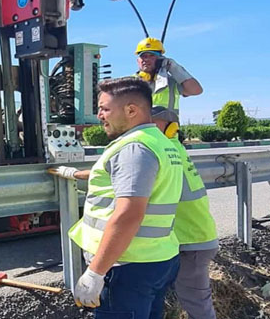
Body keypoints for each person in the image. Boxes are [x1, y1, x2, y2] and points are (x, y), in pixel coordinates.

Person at [52, 77, 183, 319]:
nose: (99, 115)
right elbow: (125, 178)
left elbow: (128, 214)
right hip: (157, 258)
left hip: (128, 264)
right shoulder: (159, 143)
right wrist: (74, 173)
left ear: (131, 110)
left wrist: (95, 272)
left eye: (104, 108)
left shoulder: (134, 148)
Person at [151, 106, 218, 319]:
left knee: (198, 306)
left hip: (192, 241)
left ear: (170, 127)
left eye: (153, 124)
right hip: (193, 238)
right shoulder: (174, 147)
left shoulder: (163, 149)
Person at [134, 37, 202, 119]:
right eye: (143, 56)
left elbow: (196, 90)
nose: (146, 59)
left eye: (151, 55)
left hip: (168, 131)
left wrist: (174, 68)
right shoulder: (130, 82)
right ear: (138, 61)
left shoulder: (171, 82)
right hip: (140, 131)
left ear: (161, 59)